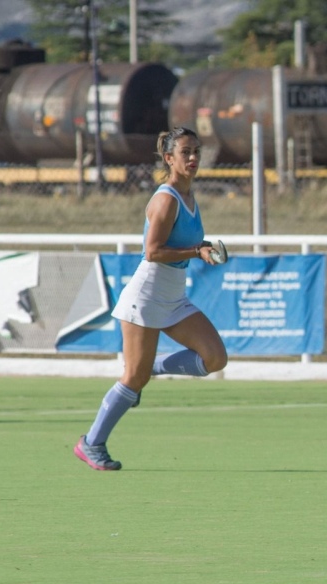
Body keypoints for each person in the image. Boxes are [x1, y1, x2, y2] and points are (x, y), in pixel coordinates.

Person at [74, 127, 228, 471]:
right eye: (185, 152)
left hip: (173, 297)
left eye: (196, 152)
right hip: (146, 297)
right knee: (132, 379)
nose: (192, 158)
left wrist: (202, 250)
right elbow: (153, 252)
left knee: (215, 358)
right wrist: (197, 250)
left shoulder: (189, 196)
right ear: (169, 159)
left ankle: (150, 368)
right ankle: (91, 443)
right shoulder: (166, 198)